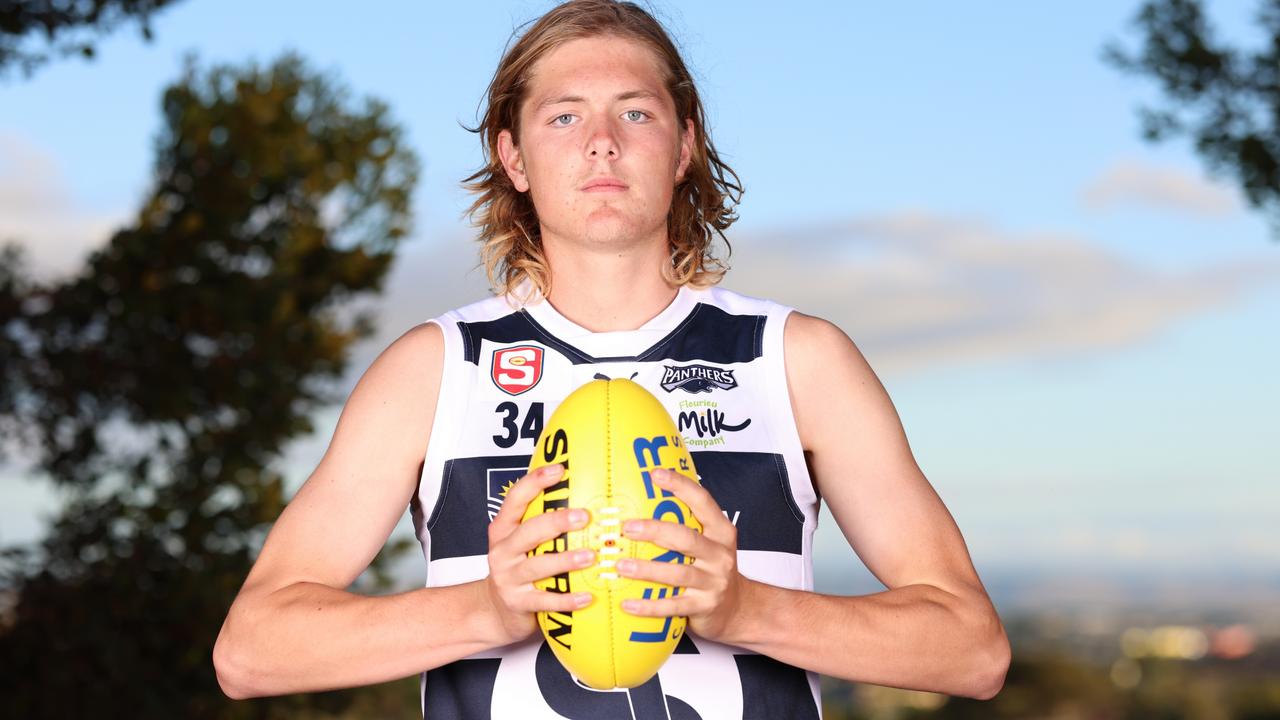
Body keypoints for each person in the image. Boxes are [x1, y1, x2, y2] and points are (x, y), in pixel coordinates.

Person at [213, 0, 1011, 716]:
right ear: (514, 158)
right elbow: (252, 651)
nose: (601, 144)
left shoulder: (797, 360)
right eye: (564, 117)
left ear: (685, 146)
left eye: (635, 112)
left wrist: (745, 611)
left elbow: (972, 651)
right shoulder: (435, 369)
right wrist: (484, 612)